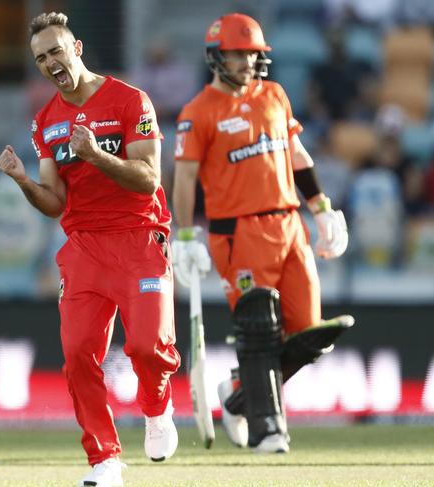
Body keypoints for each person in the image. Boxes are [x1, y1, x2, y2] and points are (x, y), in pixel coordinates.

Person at [0, 12, 180, 487]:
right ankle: (104, 460)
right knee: (78, 353)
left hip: (140, 235)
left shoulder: (130, 100)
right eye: (40, 58)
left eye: (56, 51)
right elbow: (55, 203)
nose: (50, 62)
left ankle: (158, 408)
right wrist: (22, 181)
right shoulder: (45, 124)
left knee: (146, 347)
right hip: (84, 247)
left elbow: (149, 180)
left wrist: (96, 154)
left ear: (76, 48)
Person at [171, 13, 352, 454]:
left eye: (254, 54)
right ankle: (266, 427)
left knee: (308, 333)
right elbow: (184, 181)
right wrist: (187, 236)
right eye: (239, 54)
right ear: (217, 57)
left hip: (289, 224)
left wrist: (321, 207)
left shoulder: (274, 95)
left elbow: (296, 153)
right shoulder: (199, 113)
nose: (248, 62)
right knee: (260, 329)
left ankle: (237, 396)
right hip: (238, 232)